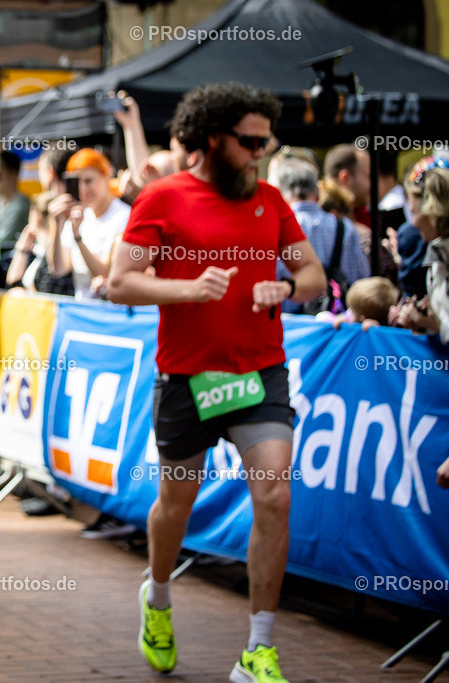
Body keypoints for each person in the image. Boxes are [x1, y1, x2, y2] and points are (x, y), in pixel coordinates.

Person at [108, 82, 325, 683]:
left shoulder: (273, 199)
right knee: (176, 505)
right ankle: (156, 595)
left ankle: (258, 648)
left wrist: (288, 286)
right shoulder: (162, 198)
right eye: (249, 141)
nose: (260, 152)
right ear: (212, 138)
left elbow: (314, 275)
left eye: (266, 141)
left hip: (260, 371)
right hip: (187, 377)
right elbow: (119, 283)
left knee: (275, 495)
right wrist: (187, 288)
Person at [270, 158, 369, 313]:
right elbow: (361, 280)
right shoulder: (344, 227)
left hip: (290, 326)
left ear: (280, 194)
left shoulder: (275, 228)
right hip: (336, 324)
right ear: (316, 193)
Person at [47, 148, 131, 300]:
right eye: (77, 182)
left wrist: (78, 238)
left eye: (88, 181)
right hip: (82, 312)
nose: (83, 189)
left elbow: (106, 273)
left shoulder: (123, 216)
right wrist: (56, 223)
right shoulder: (79, 216)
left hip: (110, 313)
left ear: (107, 175)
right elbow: (58, 268)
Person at [392, 167, 449, 344]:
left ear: (432, 211)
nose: (413, 223)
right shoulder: (436, 253)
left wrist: (431, 323)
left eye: (414, 212)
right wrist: (421, 320)